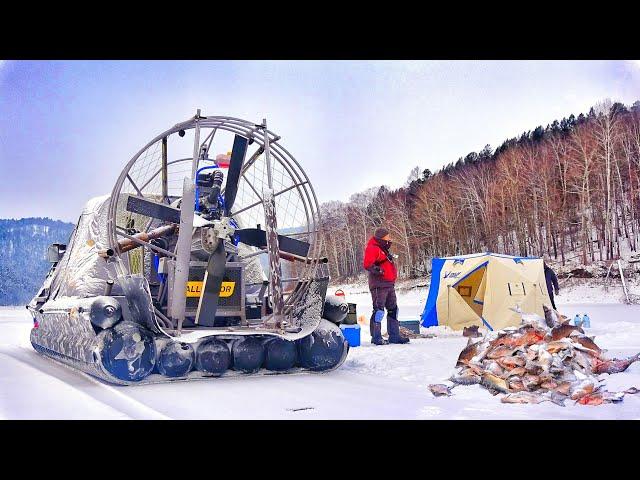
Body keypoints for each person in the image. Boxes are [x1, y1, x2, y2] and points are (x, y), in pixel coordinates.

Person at [363, 227, 409, 345]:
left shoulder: (383, 249)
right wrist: (379, 271)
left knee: (393, 309)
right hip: (379, 284)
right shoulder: (373, 248)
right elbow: (368, 264)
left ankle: (394, 336)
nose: (390, 239)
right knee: (379, 311)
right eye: (388, 237)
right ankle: (376, 337)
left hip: (389, 284)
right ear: (382, 238)